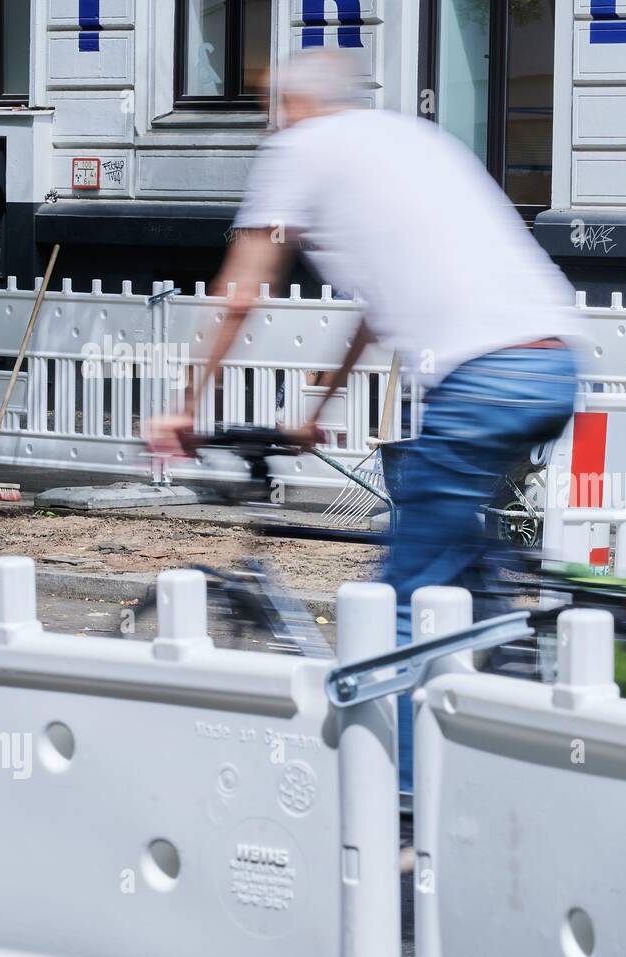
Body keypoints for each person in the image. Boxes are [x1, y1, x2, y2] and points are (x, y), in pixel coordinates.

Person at [147, 50, 581, 796]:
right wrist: (316, 413)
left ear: (293, 105)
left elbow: (243, 290)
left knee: (401, 604)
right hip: (554, 364)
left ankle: (401, 807)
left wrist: (186, 403)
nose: (271, 122)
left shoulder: (299, 147)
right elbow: (380, 310)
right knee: (472, 582)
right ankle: (514, 726)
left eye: (272, 108)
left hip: (480, 380)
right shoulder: (411, 141)